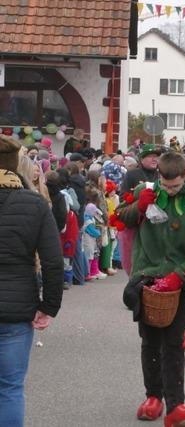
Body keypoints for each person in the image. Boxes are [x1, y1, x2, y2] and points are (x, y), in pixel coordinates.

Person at [115, 151, 185, 427]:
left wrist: (179, 276)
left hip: (180, 282)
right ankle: (153, 397)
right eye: (165, 185)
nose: (168, 190)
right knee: (149, 341)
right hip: (146, 276)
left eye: (175, 186)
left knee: (173, 341)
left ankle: (176, 404)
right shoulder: (146, 192)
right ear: (159, 176)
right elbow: (120, 218)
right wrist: (139, 207)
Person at [0, 135, 63, 427]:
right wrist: (48, 306)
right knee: (10, 388)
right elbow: (52, 260)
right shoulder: (35, 204)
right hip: (16, 308)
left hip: (16, 307)